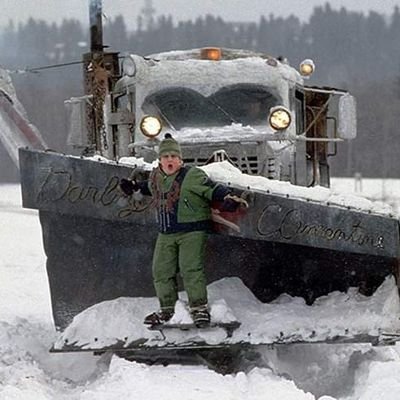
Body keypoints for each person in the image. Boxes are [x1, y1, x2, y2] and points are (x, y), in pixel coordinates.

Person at [119, 133, 247, 327]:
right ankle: (167, 309)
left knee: (190, 268)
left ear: (180, 160)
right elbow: (150, 188)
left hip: (192, 230)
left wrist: (228, 198)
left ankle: (199, 308)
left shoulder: (192, 175)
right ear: (160, 160)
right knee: (161, 270)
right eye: (166, 157)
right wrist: (135, 187)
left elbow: (211, 188)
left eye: (173, 157)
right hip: (166, 232)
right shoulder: (156, 178)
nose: (170, 160)